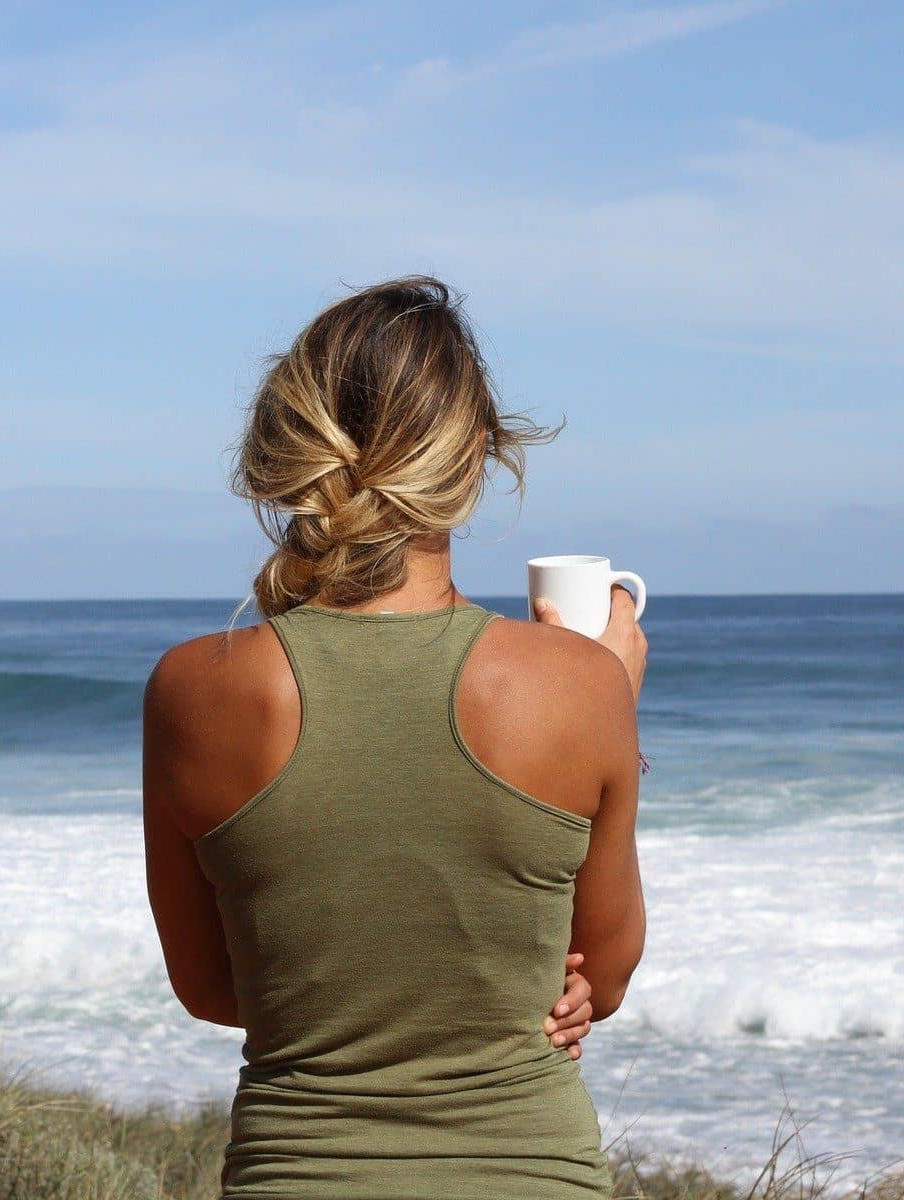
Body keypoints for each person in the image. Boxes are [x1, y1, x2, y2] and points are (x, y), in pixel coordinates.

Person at [143, 276, 647, 1199]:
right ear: (479, 456)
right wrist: (608, 698)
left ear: (284, 444)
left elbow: (214, 992)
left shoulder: (193, 687)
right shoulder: (580, 683)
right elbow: (599, 982)